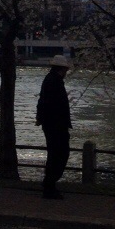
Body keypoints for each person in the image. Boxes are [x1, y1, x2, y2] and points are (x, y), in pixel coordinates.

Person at [35, 54, 72, 199]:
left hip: (51, 124)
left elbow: (42, 101)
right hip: (56, 125)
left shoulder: (49, 80)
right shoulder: (55, 82)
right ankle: (50, 185)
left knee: (54, 154)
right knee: (59, 154)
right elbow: (55, 105)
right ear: (62, 69)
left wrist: (40, 117)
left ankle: (49, 183)